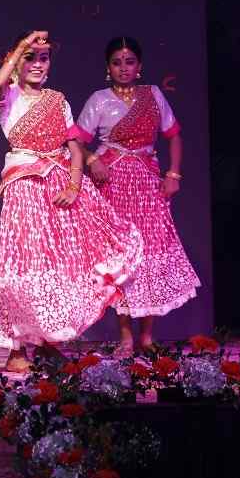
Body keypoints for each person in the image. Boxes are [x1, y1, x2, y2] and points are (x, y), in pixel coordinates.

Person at [0, 31, 142, 370]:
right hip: (24, 185)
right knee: (22, 265)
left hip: (58, 186)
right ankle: (17, 349)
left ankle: (48, 342)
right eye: (30, 58)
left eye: (43, 58)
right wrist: (23, 45)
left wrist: (74, 186)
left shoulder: (58, 100)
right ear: (16, 60)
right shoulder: (8, 95)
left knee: (57, 265)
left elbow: (73, 146)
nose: (37, 64)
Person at [73, 37, 199, 355]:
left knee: (150, 255)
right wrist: (92, 159)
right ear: (108, 67)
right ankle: (126, 337)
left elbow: (174, 136)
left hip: (147, 183)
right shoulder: (99, 99)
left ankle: (147, 337)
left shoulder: (152, 95)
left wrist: (173, 174)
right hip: (112, 183)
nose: (124, 68)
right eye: (117, 62)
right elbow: (76, 141)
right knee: (123, 258)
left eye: (129, 62)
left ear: (139, 66)